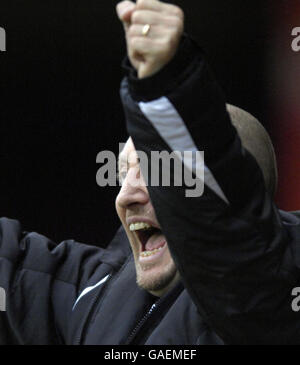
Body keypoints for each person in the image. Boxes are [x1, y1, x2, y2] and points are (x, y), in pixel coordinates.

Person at [0, 0, 298, 345]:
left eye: (158, 172)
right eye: (125, 173)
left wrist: (170, 90)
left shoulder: (273, 294)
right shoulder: (96, 291)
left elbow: (231, 245)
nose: (126, 195)